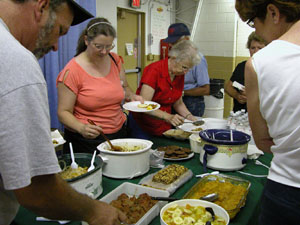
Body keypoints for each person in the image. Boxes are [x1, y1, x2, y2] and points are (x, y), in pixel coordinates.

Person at [0, 1, 126, 225]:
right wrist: (95, 211)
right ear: (41, 7)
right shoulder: (15, 59)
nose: (57, 47)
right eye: (60, 31)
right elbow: (37, 189)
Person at [235, 1, 300, 225]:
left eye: (254, 22)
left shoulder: (259, 63)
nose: (256, 32)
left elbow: (263, 141)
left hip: (289, 186)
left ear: (273, 12)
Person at [57, 17, 143, 154]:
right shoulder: (72, 71)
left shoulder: (114, 60)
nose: (104, 52)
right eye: (99, 46)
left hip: (118, 134)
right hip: (87, 140)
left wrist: (132, 96)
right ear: (86, 40)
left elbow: (124, 87)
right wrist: (81, 128)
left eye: (109, 46)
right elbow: (63, 112)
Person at [129, 40, 200, 139]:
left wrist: (190, 117)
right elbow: (144, 105)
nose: (186, 72)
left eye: (188, 69)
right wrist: (168, 117)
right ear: (174, 58)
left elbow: (178, 103)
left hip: (163, 124)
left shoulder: (178, 74)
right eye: (184, 67)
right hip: (143, 124)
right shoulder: (154, 71)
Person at [163, 23, 210, 117]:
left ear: (186, 40)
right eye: (171, 42)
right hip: (174, 100)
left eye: (175, 42)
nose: (171, 45)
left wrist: (181, 92)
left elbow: (206, 89)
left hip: (191, 102)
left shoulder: (197, 59)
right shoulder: (173, 58)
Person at [225, 31, 266, 112]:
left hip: (259, 115)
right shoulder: (242, 66)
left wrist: (252, 96)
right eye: (253, 48)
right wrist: (237, 96)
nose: (256, 51)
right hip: (239, 115)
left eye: (260, 48)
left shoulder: (270, 69)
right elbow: (228, 87)